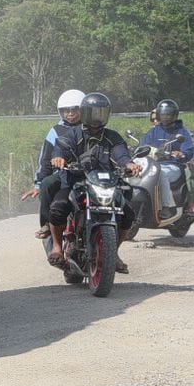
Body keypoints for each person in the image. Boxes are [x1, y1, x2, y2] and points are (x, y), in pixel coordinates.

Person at [46, 92, 141, 272]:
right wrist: (58, 158)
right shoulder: (73, 134)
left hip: (106, 184)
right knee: (58, 207)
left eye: (101, 113)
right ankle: (57, 247)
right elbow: (61, 147)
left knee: (128, 212)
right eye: (93, 113)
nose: (97, 117)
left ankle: (114, 252)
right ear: (84, 113)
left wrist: (129, 164)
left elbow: (121, 153)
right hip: (76, 182)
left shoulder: (112, 137)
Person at [22, 88, 86, 239]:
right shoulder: (56, 131)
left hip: (90, 173)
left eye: (74, 110)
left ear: (84, 110)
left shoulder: (92, 127)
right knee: (47, 184)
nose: (70, 114)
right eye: (66, 111)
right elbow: (45, 159)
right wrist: (38, 184)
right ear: (60, 112)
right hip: (64, 173)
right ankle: (47, 224)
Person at [141, 99, 194, 214]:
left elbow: (189, 149)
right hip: (153, 165)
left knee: (160, 173)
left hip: (174, 166)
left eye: (168, 114)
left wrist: (181, 154)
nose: (166, 117)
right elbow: (143, 146)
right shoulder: (153, 132)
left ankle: (166, 207)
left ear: (174, 115)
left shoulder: (182, 132)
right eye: (163, 114)